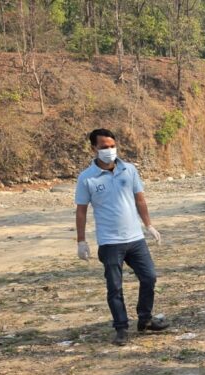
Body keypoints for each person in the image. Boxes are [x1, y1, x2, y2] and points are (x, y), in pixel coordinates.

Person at [75, 128, 168, 346]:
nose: (109, 151)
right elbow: (81, 210)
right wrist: (81, 241)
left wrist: (149, 225)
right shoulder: (87, 178)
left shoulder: (129, 170)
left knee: (149, 277)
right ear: (94, 149)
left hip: (135, 239)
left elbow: (140, 199)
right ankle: (121, 328)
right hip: (109, 242)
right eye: (104, 147)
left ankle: (144, 319)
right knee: (114, 287)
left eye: (112, 146)